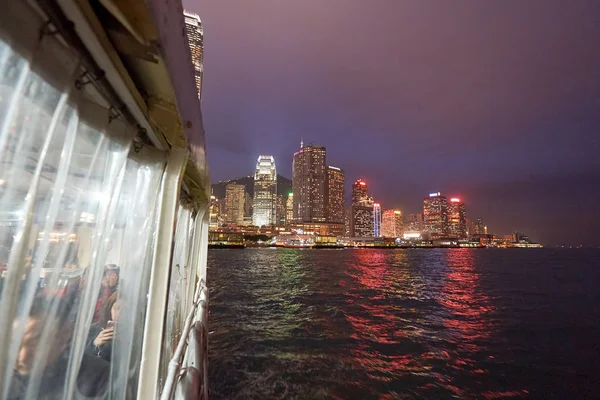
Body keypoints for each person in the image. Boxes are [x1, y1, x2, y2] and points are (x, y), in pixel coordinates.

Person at [8, 295, 110, 399]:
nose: (22, 357)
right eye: (14, 343)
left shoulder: (99, 379)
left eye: (35, 342)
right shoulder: (6, 376)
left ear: (65, 334)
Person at [86, 291, 121, 362]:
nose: (119, 314)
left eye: (126, 310)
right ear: (110, 309)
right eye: (116, 308)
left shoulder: (137, 334)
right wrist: (94, 344)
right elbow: (81, 359)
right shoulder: (93, 329)